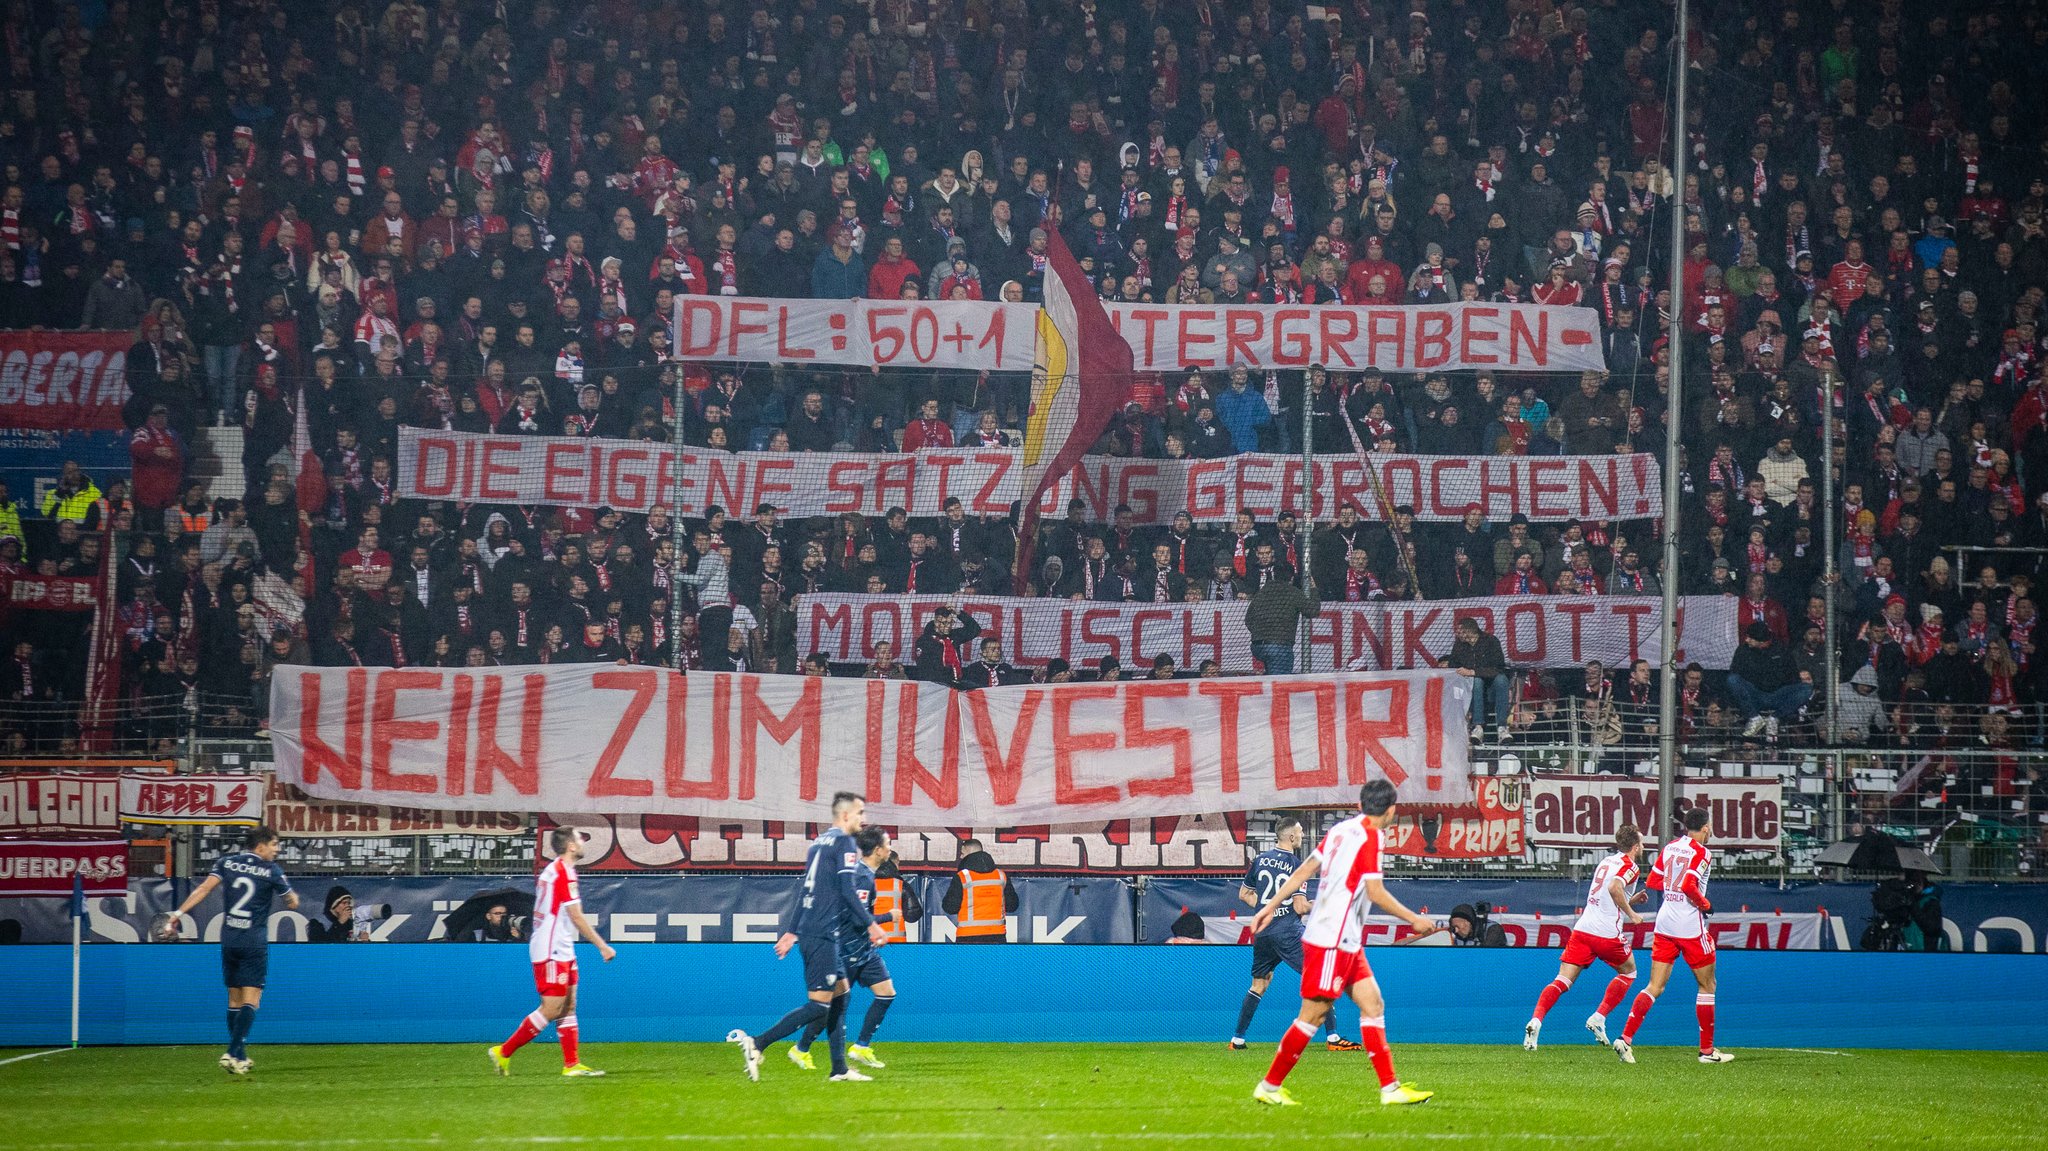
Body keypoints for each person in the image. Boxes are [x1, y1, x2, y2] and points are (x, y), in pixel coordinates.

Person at [1247, 780, 1436, 1107]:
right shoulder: (1372, 837)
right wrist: (1414, 919)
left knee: (1373, 1004)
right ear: (1391, 810)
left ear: (1362, 805)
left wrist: (1267, 905)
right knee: (1313, 1015)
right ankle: (1270, 1085)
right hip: (1331, 940)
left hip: (1343, 939)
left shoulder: (1340, 830)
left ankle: (1390, 1089)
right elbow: (1375, 892)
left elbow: (1304, 871)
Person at [728, 791, 885, 1082]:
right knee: (819, 1004)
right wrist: (872, 924)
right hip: (822, 932)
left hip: (817, 930)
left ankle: (839, 1069)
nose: (864, 819)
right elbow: (848, 890)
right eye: (861, 813)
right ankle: (758, 1042)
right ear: (846, 815)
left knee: (841, 996)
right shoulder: (844, 843)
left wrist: (791, 931)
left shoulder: (819, 843)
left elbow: (806, 890)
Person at [162, 825, 301, 1075]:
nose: (277, 850)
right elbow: (292, 902)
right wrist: (288, 897)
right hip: (253, 940)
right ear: (260, 846)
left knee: (234, 999)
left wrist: (178, 914)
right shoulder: (271, 870)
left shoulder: (226, 862)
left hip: (229, 939)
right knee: (252, 998)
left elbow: (203, 889)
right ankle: (231, 1051)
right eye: (274, 845)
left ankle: (240, 1057)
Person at [486, 827, 615, 1078]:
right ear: (571, 846)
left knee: (569, 1005)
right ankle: (504, 1050)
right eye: (580, 839)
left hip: (561, 945)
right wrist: (602, 945)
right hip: (551, 947)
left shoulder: (557, 870)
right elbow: (575, 915)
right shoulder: (562, 873)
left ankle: (572, 1064)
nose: (582, 842)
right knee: (552, 1007)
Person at [1229, 816, 1364, 1054]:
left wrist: (1268, 909)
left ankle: (1237, 1039)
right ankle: (1333, 1038)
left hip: (1263, 932)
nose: (1302, 836)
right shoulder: (1296, 863)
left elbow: (1245, 895)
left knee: (1259, 984)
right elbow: (1301, 907)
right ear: (1291, 837)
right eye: (1300, 832)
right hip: (1288, 931)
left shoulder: (1260, 860)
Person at [1614, 809, 1734, 1065]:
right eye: (1709, 827)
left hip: (1665, 922)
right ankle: (1707, 1052)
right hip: (1690, 925)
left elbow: (1655, 880)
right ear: (1704, 828)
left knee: (1654, 986)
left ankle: (1625, 1039)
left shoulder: (1670, 847)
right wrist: (1706, 905)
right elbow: (1689, 886)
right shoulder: (1702, 853)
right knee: (1707, 985)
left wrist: (1673, 885)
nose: (1710, 831)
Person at [1524, 825, 1647, 1051]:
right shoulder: (1631, 866)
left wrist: (1632, 900)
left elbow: (1610, 891)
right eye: (1641, 842)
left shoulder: (1606, 861)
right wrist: (1632, 914)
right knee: (1630, 972)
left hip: (1583, 930)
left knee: (1562, 980)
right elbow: (1613, 887)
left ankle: (1536, 1020)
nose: (1643, 846)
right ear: (1635, 846)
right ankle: (1599, 1017)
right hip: (1606, 933)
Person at [791, 827, 902, 1071]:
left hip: (864, 949)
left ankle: (861, 1046)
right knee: (830, 1005)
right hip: (847, 949)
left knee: (887, 992)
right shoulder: (861, 876)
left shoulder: (865, 874)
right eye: (888, 843)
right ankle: (801, 1047)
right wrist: (886, 918)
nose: (890, 847)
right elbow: (855, 917)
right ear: (877, 850)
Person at [1725, 621, 1810, 739]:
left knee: (1806, 689)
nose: (1747, 640)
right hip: (1755, 695)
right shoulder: (1742, 650)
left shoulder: (1781, 650)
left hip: (1778, 694)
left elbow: (1793, 677)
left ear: (1761, 641)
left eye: (1750, 638)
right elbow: (1735, 674)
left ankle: (1775, 718)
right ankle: (1754, 718)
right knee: (1732, 680)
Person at [1442, 617, 1512, 743]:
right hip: (1472, 687)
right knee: (1477, 681)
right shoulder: (1459, 645)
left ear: (1469, 631)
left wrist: (1474, 672)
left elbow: (1498, 667)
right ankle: (1478, 726)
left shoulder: (1491, 641)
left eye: (1461, 631)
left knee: (1502, 680)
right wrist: (1467, 674)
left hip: (1492, 686)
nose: (1458, 634)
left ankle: (1502, 727)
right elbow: (1454, 665)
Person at [943, 837, 1018, 942]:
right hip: (997, 935)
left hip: (968, 937)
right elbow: (1012, 905)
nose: (960, 856)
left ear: (969, 853)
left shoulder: (962, 877)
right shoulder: (1001, 876)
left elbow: (950, 907)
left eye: (962, 853)